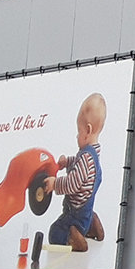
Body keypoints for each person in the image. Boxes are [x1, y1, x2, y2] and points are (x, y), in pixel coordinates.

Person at [45, 94, 107, 252]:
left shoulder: (85, 158)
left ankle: (73, 239)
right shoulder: (93, 154)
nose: (76, 136)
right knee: (84, 218)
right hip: (85, 213)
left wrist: (55, 184)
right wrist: (68, 162)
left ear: (88, 130)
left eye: (79, 131)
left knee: (54, 232)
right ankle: (91, 225)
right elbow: (81, 168)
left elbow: (73, 183)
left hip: (76, 216)